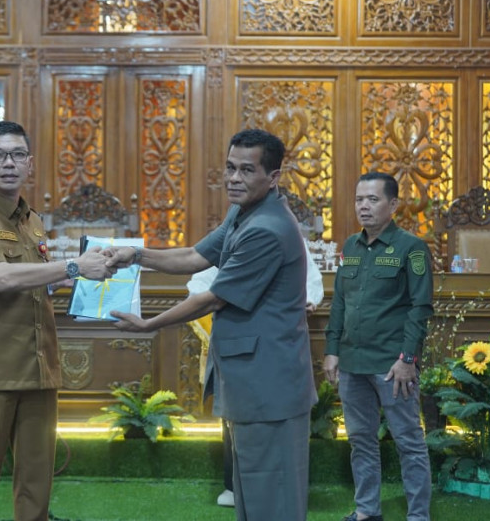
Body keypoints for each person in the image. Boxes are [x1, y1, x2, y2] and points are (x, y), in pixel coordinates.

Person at [105, 128, 317, 521]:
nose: (234, 178)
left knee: (272, 498)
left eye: (247, 170)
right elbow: (194, 256)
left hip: (268, 383)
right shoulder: (245, 211)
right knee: (252, 493)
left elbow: (213, 296)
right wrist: (136, 255)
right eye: (230, 167)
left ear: (273, 177)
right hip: (252, 380)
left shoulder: (268, 229)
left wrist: (149, 325)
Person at [0, 121, 115, 521]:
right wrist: (74, 266)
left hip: (39, 369)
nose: (9, 164)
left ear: (30, 163)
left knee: (37, 485)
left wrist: (73, 278)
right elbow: (2, 279)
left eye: (17, 155)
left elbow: (37, 280)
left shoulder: (33, 220)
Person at [323, 171, 434, 521]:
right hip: (353, 363)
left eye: (373, 199)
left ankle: (418, 516)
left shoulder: (411, 248)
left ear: (393, 204)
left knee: (409, 443)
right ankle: (367, 511)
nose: (364, 207)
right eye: (359, 199)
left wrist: (408, 359)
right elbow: (339, 302)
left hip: (392, 366)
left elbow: (421, 308)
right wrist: (331, 349)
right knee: (361, 441)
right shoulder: (350, 248)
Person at [214, 235, 324, 508]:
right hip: (238, 349)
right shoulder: (229, 238)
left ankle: (284, 492)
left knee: (282, 423)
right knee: (238, 421)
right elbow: (202, 283)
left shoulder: (284, 235)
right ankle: (234, 487)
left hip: (279, 347)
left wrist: (309, 300)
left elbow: (311, 282)